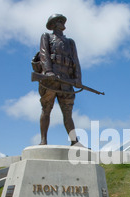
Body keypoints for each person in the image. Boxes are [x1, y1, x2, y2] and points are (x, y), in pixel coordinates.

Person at [38, 14, 82, 146]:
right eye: (58, 21)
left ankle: (74, 142)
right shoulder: (46, 36)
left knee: (68, 113)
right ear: (53, 25)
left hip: (67, 81)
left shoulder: (70, 42)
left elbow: (76, 61)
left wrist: (78, 78)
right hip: (50, 81)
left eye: (62, 21)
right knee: (46, 109)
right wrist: (49, 71)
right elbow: (44, 54)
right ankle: (43, 140)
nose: (62, 22)